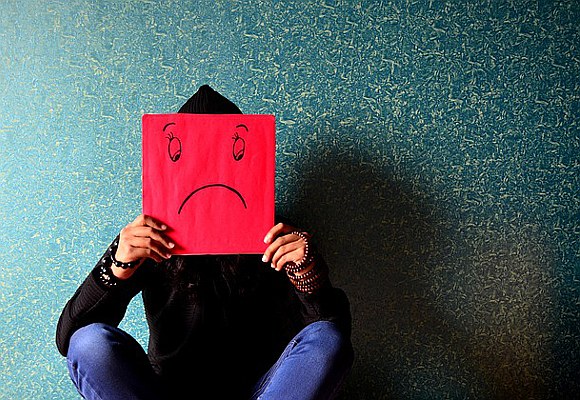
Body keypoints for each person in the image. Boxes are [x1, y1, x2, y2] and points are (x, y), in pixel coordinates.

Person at [55, 85, 353, 400]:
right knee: (89, 342)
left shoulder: (274, 235)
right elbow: (70, 339)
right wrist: (118, 264)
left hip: (259, 392)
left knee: (327, 338)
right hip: (165, 394)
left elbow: (330, 342)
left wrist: (307, 272)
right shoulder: (150, 236)